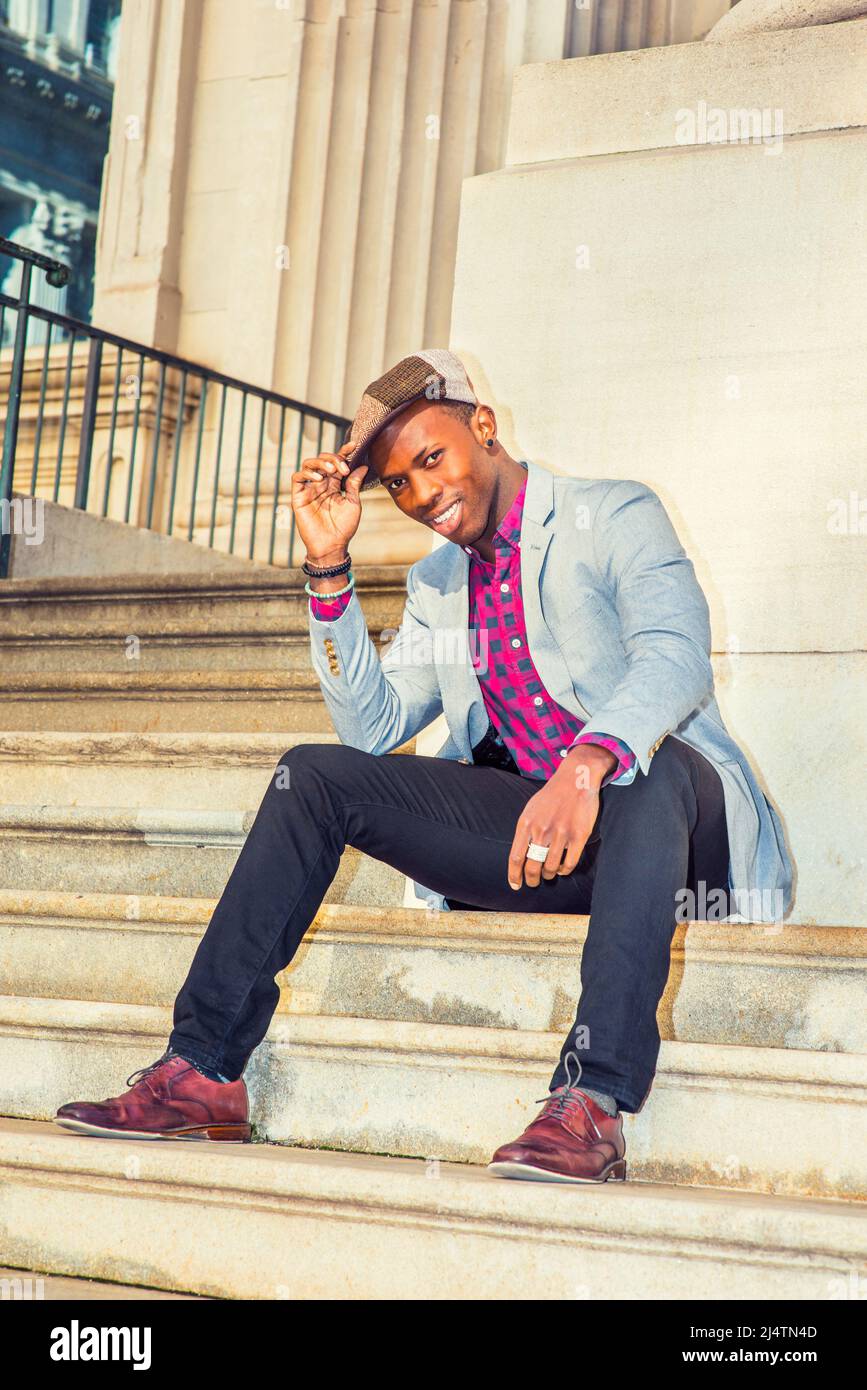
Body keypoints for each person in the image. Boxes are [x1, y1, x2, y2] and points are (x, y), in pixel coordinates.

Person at [54, 348, 793, 1183]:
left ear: (482, 426)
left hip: (670, 834)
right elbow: (372, 729)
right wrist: (327, 571)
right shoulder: (437, 583)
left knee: (645, 771)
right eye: (398, 483)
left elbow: (675, 655)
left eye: (430, 459)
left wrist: (586, 763)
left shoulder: (611, 513)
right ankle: (205, 1070)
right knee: (314, 774)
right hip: (536, 843)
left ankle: (590, 1103)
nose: (421, 495)